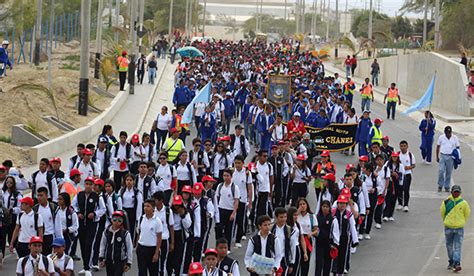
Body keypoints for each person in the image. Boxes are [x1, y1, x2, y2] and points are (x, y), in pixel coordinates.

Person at [71, 177, 106, 274]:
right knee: (82, 245)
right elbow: (72, 206)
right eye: (86, 184)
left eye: (90, 184)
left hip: (93, 224)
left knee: (89, 244)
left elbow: (103, 209)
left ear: (93, 186)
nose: (88, 186)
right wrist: (77, 213)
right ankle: (85, 265)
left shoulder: (97, 197)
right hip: (81, 224)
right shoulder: (79, 195)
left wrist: (94, 214)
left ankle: (88, 268)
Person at [440, 185, 470, 272]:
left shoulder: (463, 203)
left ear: (460, 193)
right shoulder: (446, 202)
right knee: (449, 246)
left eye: (458, 192)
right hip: (448, 227)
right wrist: (447, 221)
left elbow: (467, 213)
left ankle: (457, 263)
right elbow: (442, 212)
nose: (456, 193)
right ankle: (451, 261)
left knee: (458, 246)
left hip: (459, 228)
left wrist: (461, 222)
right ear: (452, 192)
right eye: (455, 192)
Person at [99, 210, 133, 276]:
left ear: (123, 221)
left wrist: (129, 262)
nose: (117, 222)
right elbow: (103, 245)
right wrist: (101, 257)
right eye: (114, 219)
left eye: (119, 220)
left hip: (120, 261)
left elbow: (129, 248)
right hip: (109, 260)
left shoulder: (125, 234)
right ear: (111, 220)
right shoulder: (106, 232)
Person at [331, 195, 358, 275]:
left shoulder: (349, 214)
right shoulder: (333, 213)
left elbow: (352, 227)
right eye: (340, 203)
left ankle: (341, 272)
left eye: (344, 203)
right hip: (334, 238)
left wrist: (355, 240)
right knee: (334, 255)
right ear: (337, 203)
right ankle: (334, 271)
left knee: (343, 255)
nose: (342, 205)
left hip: (345, 238)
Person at [136, 199, 162, 276]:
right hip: (141, 248)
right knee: (142, 272)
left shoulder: (157, 221)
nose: (145, 208)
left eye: (148, 206)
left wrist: (156, 253)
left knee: (153, 272)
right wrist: (138, 246)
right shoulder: (141, 219)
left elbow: (159, 237)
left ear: (153, 208)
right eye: (144, 206)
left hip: (152, 249)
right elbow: (139, 233)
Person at [215, 169, 239, 249]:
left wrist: (233, 213)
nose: (225, 177)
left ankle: (227, 247)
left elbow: (236, 201)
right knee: (219, 229)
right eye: (224, 175)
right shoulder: (220, 186)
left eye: (227, 176)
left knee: (228, 231)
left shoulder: (234, 187)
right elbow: (217, 197)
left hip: (230, 210)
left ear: (231, 177)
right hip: (221, 209)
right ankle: (218, 246)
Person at [33, 187, 58, 256]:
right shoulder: (35, 209)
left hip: (49, 236)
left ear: (47, 196)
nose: (39, 197)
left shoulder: (53, 207)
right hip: (38, 237)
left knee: (48, 258)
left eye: (41, 195)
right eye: (38, 195)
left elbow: (57, 224)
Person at [271, 208, 297, 275]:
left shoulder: (290, 230)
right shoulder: (271, 229)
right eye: (281, 217)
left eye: (285, 217)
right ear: (276, 218)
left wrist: (291, 263)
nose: (283, 219)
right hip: (272, 260)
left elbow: (292, 247)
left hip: (284, 259)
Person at [315, 200, 338, 276]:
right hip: (319, 244)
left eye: (327, 207)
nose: (325, 208)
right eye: (323, 206)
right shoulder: (317, 217)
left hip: (329, 245)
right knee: (318, 264)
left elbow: (335, 232)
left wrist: (334, 244)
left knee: (327, 265)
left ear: (329, 208)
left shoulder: (332, 219)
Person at [296, 198, 317, 276]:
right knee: (297, 260)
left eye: (304, 204)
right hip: (297, 239)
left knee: (306, 261)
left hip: (307, 239)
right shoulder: (296, 215)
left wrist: (311, 233)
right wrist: (298, 211)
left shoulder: (311, 216)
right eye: (300, 204)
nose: (302, 206)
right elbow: (290, 221)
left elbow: (316, 229)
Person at [436, 126, 460, 192]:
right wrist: (437, 156)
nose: (448, 134)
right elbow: (438, 147)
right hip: (443, 155)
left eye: (449, 133)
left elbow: (457, 148)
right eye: (447, 133)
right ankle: (440, 185)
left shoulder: (455, 138)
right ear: (445, 132)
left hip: (451, 157)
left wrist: (458, 158)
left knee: (448, 173)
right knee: (441, 171)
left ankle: (447, 186)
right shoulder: (441, 137)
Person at [119, 174, 143, 241]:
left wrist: (138, 218)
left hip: (132, 212)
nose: (129, 182)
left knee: (131, 229)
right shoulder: (121, 191)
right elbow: (119, 202)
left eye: (130, 180)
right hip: (123, 212)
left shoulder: (137, 192)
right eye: (127, 180)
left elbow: (139, 206)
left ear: (134, 181)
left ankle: (130, 244)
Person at [253, 150, 274, 226]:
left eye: (266, 156)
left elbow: (271, 178)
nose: (266, 158)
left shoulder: (269, 166)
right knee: (256, 207)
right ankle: (255, 222)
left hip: (265, 189)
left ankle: (263, 223)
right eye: (264, 156)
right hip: (256, 190)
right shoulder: (255, 165)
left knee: (263, 208)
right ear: (259, 157)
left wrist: (271, 190)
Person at [398, 141, 416, 212]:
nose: (403, 147)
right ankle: (400, 203)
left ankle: (406, 205)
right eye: (401, 146)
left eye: (404, 146)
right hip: (399, 175)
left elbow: (414, 165)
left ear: (407, 146)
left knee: (406, 190)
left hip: (407, 174)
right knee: (399, 189)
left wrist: (408, 167)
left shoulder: (410, 155)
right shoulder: (398, 155)